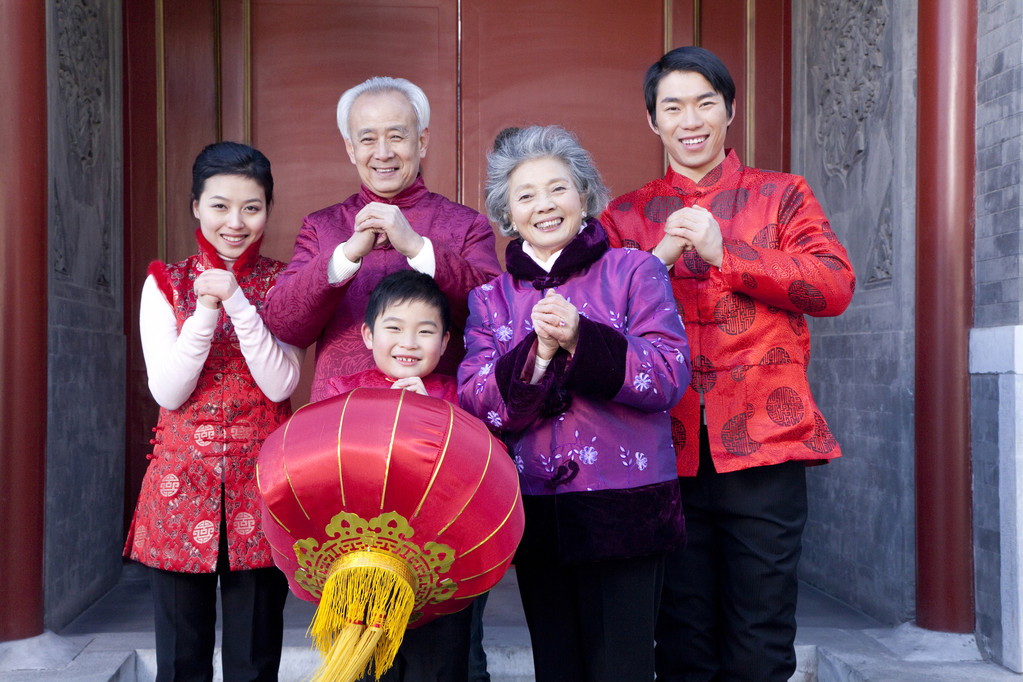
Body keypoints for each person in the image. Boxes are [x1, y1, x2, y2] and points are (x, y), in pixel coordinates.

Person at [601, 46, 856, 682]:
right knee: (682, 637)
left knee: (761, 635)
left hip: (766, 446)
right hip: (665, 448)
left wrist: (729, 254)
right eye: (673, 107)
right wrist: (654, 259)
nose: (691, 120)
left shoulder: (783, 196)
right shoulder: (625, 216)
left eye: (705, 103)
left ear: (730, 110)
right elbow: (600, 321)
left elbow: (834, 285)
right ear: (653, 123)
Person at [458, 125, 691, 682]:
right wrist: (536, 355)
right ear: (507, 215)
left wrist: (582, 339)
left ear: (584, 196)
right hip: (538, 509)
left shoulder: (637, 270)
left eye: (558, 188)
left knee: (624, 669)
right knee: (556, 667)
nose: (545, 205)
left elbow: (668, 374)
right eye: (526, 195)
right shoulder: (489, 299)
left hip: (627, 509)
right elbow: (476, 400)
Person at [125, 141, 303, 681]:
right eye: (220, 205)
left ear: (268, 210)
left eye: (252, 207)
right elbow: (169, 392)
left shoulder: (286, 283)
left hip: (262, 486)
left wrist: (239, 304)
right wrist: (204, 309)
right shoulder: (164, 282)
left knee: (254, 660)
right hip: (180, 490)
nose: (236, 222)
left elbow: (282, 383)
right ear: (195, 206)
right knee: (181, 662)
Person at [262, 76, 501, 402]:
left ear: (422, 140)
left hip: (438, 430)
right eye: (368, 139)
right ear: (350, 148)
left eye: (397, 136)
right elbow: (284, 325)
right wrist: (344, 257)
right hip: (340, 429)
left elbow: (497, 319)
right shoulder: (321, 226)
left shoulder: (467, 224)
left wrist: (419, 250)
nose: (383, 153)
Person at [323, 269, 455, 402]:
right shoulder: (343, 391)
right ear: (369, 336)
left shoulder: (457, 395)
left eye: (425, 331)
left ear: (443, 342)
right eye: (394, 328)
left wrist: (430, 411)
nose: (408, 344)